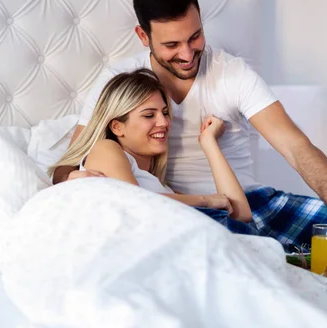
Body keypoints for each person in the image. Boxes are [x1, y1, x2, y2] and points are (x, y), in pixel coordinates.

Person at [53, 0, 327, 266]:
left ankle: (318, 258)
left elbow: (295, 147)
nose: (187, 53)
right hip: (184, 214)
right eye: (171, 45)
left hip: (250, 202)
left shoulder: (232, 74)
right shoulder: (121, 82)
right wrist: (78, 180)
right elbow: (71, 161)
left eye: (195, 36)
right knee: (244, 261)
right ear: (143, 36)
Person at [49, 69, 252, 222]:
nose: (164, 123)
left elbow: (241, 214)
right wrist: (205, 200)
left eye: (164, 113)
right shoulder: (106, 148)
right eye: (149, 115)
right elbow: (136, 204)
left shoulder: (161, 189)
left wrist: (209, 143)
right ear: (117, 127)